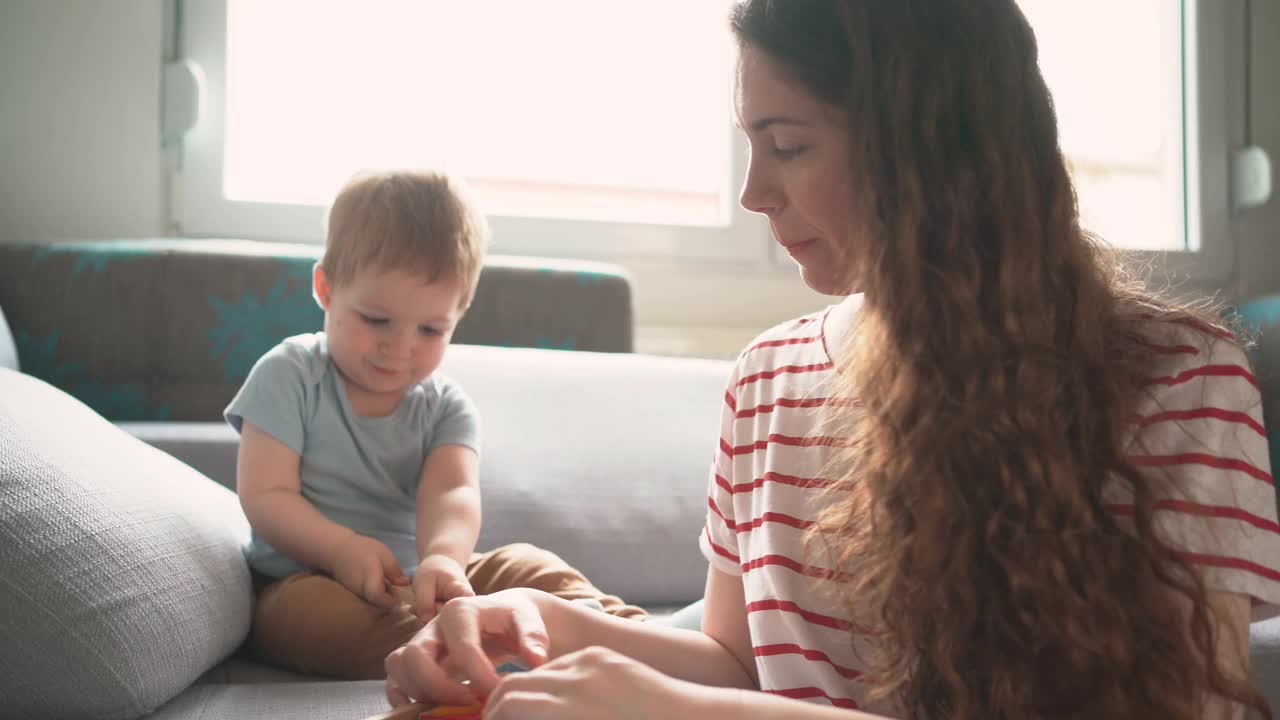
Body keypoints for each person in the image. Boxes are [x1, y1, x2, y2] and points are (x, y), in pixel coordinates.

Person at [382, 2, 1280, 717]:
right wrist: (554, 626)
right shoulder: (766, 378)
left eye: (789, 145)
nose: (753, 193)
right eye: (751, 145)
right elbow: (738, 661)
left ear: (932, 145)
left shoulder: (1173, 375)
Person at [226, 169, 646, 680]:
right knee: (310, 620)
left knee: (524, 563)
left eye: (430, 329)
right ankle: (490, 642)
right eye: (376, 320)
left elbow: (451, 494)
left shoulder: (447, 407)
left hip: (423, 578)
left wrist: (444, 560)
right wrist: (341, 550)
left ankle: (635, 636)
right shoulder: (288, 374)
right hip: (306, 579)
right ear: (326, 289)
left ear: (458, 315)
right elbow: (266, 495)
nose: (399, 347)